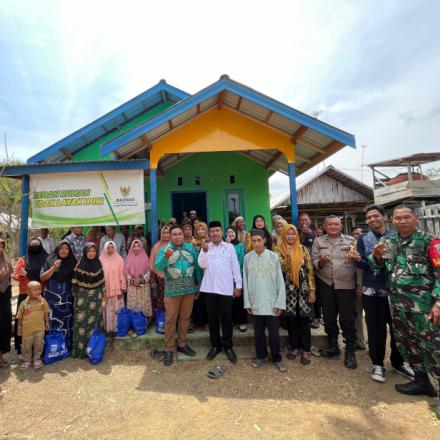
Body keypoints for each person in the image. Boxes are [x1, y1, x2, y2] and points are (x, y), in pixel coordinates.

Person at [369, 205, 440, 416]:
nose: (402, 221)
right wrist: (376, 255)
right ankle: (422, 382)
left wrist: (438, 303)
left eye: (406, 217)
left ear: (415, 218)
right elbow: (378, 266)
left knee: (434, 349)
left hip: (425, 308)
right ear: (392, 220)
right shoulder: (388, 242)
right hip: (399, 306)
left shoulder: (430, 241)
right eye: (398, 218)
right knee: (408, 345)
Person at [356, 205, 414, 382]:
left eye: (375, 216)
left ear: (385, 217)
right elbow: (362, 265)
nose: (372, 219)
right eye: (369, 217)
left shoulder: (396, 237)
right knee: (375, 329)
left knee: (398, 329)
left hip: (397, 291)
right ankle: (377, 364)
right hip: (372, 290)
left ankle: (398, 362)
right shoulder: (363, 239)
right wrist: (360, 260)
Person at [311, 215, 360, 369]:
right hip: (326, 284)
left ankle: (350, 351)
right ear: (325, 226)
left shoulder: (351, 240)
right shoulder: (318, 241)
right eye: (330, 224)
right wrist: (320, 262)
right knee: (329, 316)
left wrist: (359, 284)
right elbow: (312, 261)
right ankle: (333, 345)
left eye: (336, 224)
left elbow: (358, 263)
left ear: (340, 226)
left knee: (347, 318)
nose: (333, 227)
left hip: (346, 285)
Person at [155, 225, 202, 366]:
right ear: (170, 236)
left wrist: (198, 284)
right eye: (174, 234)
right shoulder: (165, 249)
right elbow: (158, 266)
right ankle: (168, 349)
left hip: (189, 290)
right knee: (170, 320)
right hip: (172, 291)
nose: (177, 236)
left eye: (180, 234)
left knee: (185, 318)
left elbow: (197, 268)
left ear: (183, 235)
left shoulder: (190, 248)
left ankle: (182, 344)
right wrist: (165, 257)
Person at [243, 229, 287, 372]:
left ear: (264, 241)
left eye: (258, 240)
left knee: (274, 332)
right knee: (258, 331)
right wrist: (247, 302)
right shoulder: (247, 258)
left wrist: (280, 303)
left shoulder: (273, 257)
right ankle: (260, 356)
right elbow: (245, 280)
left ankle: (276, 357)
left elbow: (280, 281)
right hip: (255, 301)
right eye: (253, 240)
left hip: (271, 301)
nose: (256, 243)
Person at [199, 221, 242, 363]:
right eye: (212, 231)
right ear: (209, 233)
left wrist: (238, 286)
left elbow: (235, 268)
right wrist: (204, 251)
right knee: (212, 320)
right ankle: (215, 346)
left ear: (221, 231)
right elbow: (202, 265)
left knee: (227, 319)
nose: (215, 233)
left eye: (217, 230)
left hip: (226, 289)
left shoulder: (229, 247)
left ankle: (228, 347)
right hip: (209, 289)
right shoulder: (206, 247)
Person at [275, 224, 316, 365]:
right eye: (288, 234)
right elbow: (280, 268)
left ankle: (306, 350)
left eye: (293, 234)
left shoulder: (303, 249)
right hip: (287, 291)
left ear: (296, 235)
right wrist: (287, 258)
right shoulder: (278, 250)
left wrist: (312, 290)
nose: (291, 236)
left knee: (304, 321)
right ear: (283, 235)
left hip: (303, 290)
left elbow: (310, 271)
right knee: (291, 321)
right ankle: (295, 347)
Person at [13, 238, 48, 356]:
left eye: (37, 244)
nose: (34, 246)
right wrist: (20, 274)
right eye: (32, 245)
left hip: (40, 294)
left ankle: (39, 350)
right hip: (25, 294)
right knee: (24, 320)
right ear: (28, 247)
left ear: (41, 246)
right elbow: (15, 276)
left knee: (40, 321)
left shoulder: (47, 258)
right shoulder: (23, 260)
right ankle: (23, 350)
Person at [40, 241, 77, 350]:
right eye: (61, 248)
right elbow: (42, 277)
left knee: (66, 320)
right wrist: (53, 268)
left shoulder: (73, 262)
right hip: (51, 297)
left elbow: (76, 279)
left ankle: (65, 346)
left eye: (67, 248)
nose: (64, 250)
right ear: (57, 249)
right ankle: (51, 347)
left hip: (67, 297)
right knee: (51, 320)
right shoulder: (49, 259)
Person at [71, 243, 105, 358]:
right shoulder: (79, 266)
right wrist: (76, 300)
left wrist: (104, 300)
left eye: (93, 251)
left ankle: (94, 348)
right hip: (82, 300)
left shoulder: (98, 265)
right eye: (89, 251)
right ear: (85, 252)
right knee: (81, 324)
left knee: (95, 323)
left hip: (96, 299)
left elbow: (102, 284)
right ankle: (80, 351)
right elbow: (74, 286)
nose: (91, 254)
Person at [16, 281, 49, 370]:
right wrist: (19, 327)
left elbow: (46, 313)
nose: (38, 291)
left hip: (40, 328)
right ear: (28, 292)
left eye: (39, 289)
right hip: (26, 330)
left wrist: (47, 322)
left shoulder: (43, 301)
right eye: (35, 290)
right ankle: (27, 360)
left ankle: (37, 359)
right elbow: (19, 316)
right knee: (26, 345)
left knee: (39, 344)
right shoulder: (24, 303)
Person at [298, 212, 320, 329]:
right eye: (301, 220)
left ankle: (316, 317)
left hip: (313, 269)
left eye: (306, 220)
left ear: (310, 221)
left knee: (314, 292)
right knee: (303, 293)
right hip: (300, 269)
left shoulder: (314, 234)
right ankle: (306, 316)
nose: (304, 222)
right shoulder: (296, 233)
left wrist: (309, 234)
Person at [99, 241, 127, 333]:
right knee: (108, 310)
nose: (110, 250)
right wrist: (102, 290)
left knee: (117, 309)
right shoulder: (101, 260)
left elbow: (122, 275)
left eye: (112, 247)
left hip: (117, 290)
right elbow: (99, 276)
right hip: (106, 290)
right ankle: (109, 329)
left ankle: (118, 328)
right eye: (108, 248)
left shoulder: (119, 259)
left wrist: (122, 289)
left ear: (115, 248)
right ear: (105, 248)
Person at [225, 226, 247, 332]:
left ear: (235, 233)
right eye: (228, 232)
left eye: (232, 232)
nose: (230, 234)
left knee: (239, 299)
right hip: (227, 277)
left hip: (238, 276)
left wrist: (237, 274)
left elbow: (241, 260)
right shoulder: (224, 246)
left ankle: (242, 322)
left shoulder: (240, 246)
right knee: (229, 300)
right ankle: (232, 320)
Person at [124, 239, 152, 318]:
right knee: (133, 305)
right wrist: (132, 281)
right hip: (133, 287)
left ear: (141, 247)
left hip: (143, 287)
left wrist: (141, 280)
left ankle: (144, 322)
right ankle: (133, 322)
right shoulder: (128, 259)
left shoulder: (146, 258)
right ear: (131, 248)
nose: (136, 248)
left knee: (143, 305)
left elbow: (149, 271)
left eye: (138, 246)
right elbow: (126, 273)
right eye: (134, 246)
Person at [191, 221, 209, 329]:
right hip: (196, 273)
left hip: (208, 272)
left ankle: (207, 322)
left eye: (203, 229)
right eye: (198, 230)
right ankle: (198, 322)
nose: (201, 231)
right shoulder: (193, 243)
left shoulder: (210, 242)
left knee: (207, 298)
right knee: (198, 298)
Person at [149, 226, 171, 312]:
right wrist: (153, 280)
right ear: (161, 234)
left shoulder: (174, 245)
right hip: (160, 278)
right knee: (162, 299)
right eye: (164, 233)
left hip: (173, 278)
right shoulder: (157, 246)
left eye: (168, 233)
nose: (166, 235)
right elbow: (152, 263)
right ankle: (162, 320)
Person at [0, 239, 13, 367]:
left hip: (4, 298)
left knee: (3, 325)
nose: (0, 249)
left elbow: (10, 277)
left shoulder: (6, 261)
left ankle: (1, 357)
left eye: (2, 246)